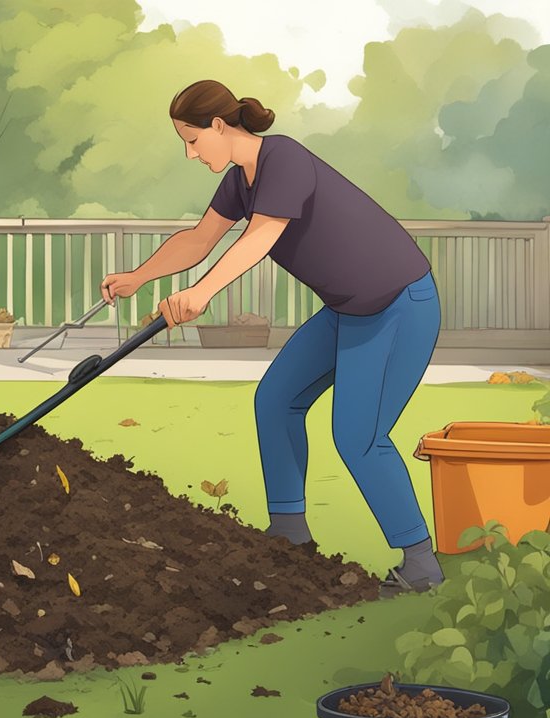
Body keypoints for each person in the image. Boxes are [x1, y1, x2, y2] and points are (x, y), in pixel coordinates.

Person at [100, 79, 443, 594]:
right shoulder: (241, 180)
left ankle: (420, 563)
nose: (190, 154)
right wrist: (139, 276)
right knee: (276, 399)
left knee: (358, 437)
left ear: (219, 125)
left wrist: (203, 291)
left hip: (398, 303)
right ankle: (288, 532)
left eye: (192, 141)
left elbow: (261, 236)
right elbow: (199, 239)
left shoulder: (285, 159)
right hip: (349, 310)